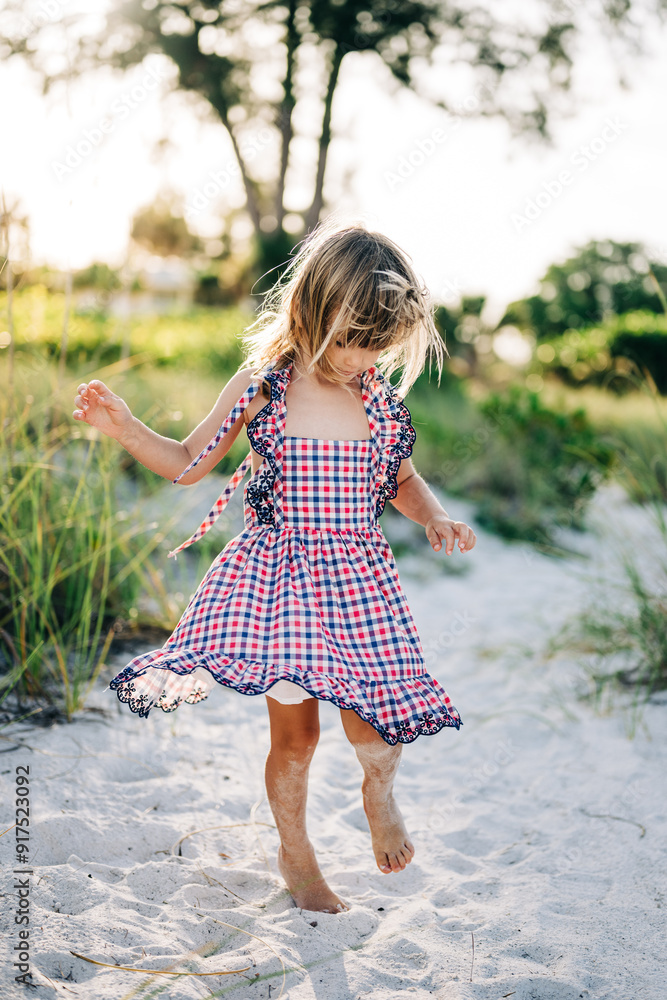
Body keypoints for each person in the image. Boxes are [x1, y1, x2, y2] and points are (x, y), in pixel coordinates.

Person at [72, 219, 477, 914]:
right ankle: (297, 855)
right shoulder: (263, 386)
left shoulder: (376, 397)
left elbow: (401, 479)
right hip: (280, 585)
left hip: (357, 587)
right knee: (296, 735)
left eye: (378, 345)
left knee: (375, 726)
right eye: (352, 340)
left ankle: (377, 792)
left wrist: (432, 514)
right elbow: (185, 465)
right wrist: (125, 428)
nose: (360, 357)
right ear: (312, 311)